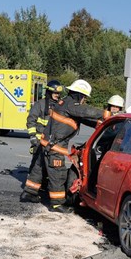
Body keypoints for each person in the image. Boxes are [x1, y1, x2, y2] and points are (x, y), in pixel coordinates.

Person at [20, 79, 105, 213]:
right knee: (57, 174)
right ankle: (57, 204)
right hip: (55, 147)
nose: (84, 100)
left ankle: (29, 192)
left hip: (45, 143)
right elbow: (85, 112)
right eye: (84, 97)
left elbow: (82, 118)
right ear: (79, 95)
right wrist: (104, 114)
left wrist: (98, 124)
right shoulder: (72, 105)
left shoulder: (64, 103)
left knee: (38, 170)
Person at [20, 80, 63, 202]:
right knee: (37, 166)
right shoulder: (40, 105)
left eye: (58, 93)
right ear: (49, 92)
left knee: (47, 166)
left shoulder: (59, 105)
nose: (57, 95)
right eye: (55, 93)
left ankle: (41, 187)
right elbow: (31, 120)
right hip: (39, 142)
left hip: (52, 142)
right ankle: (32, 190)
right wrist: (33, 137)